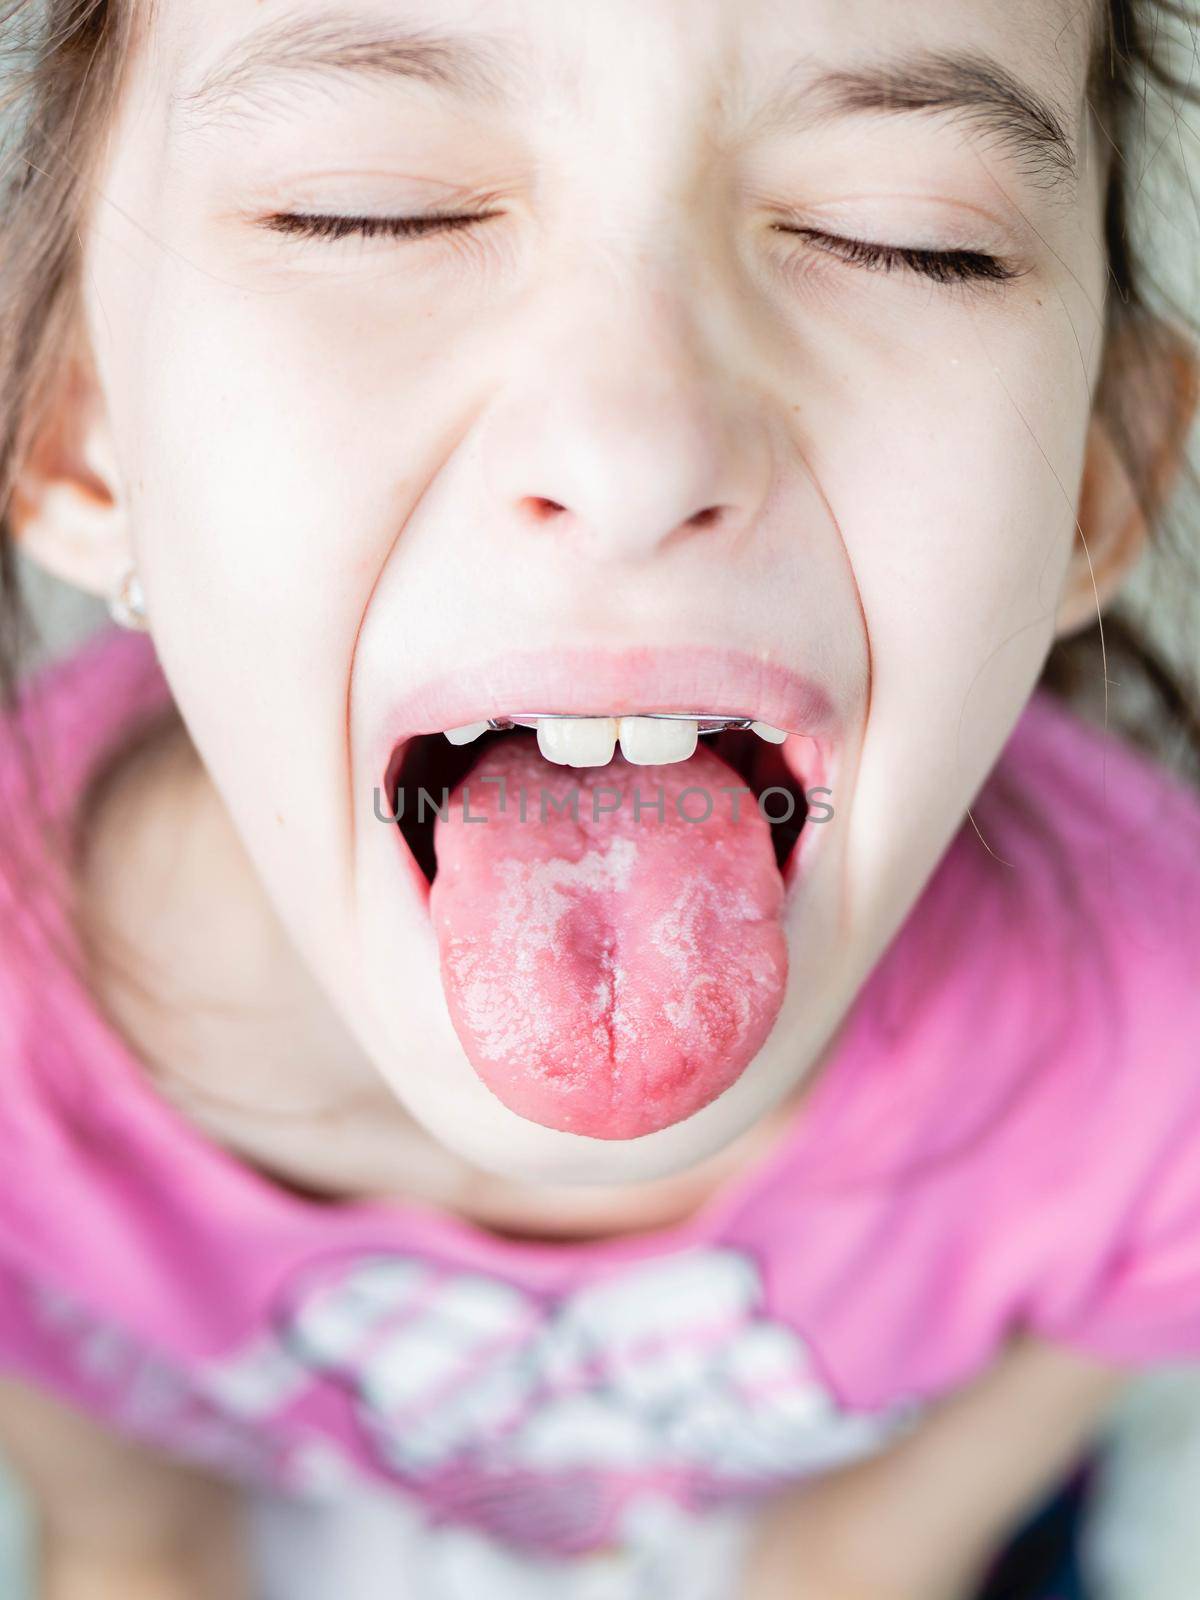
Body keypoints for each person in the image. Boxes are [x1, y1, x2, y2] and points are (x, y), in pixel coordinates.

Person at [0, 1, 1198, 1596]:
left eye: (904, 238)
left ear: (1099, 478)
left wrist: (886, 1536)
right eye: (369, 208)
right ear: (75, 420)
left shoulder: (1155, 1036)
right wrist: (127, 1526)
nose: (639, 444)